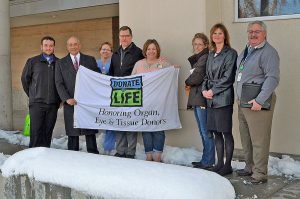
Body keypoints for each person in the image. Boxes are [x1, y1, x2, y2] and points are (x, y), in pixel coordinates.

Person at [236, 21, 280, 184]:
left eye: (257, 31)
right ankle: (250, 167)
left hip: (257, 103)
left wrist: (260, 100)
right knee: (246, 137)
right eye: (250, 31)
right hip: (243, 102)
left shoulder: (268, 52)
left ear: (265, 34)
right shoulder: (247, 50)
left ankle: (260, 173)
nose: (253, 34)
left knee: (259, 140)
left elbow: (273, 78)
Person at [202, 23, 237, 176]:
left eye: (220, 33)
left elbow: (228, 78)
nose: (217, 36)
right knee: (216, 132)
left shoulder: (231, 53)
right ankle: (219, 163)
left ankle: (228, 165)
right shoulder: (210, 54)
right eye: (214, 33)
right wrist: (204, 90)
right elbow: (206, 76)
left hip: (223, 99)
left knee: (226, 132)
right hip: (210, 99)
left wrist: (212, 90)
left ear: (225, 36)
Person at [55, 36, 100, 154]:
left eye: (75, 44)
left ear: (79, 45)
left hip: (87, 103)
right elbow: (58, 83)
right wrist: (66, 98)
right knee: (72, 133)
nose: (73, 46)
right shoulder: (60, 63)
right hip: (70, 103)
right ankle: (72, 159)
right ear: (67, 47)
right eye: (70, 44)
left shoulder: (90, 60)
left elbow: (97, 78)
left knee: (89, 132)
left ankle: (94, 157)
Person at [132, 39, 172, 162]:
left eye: (153, 49)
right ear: (145, 50)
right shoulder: (138, 64)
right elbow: (132, 81)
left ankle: (158, 155)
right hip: (143, 102)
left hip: (159, 102)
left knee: (158, 128)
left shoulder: (163, 63)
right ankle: (149, 155)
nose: (151, 51)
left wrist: (174, 68)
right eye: (149, 49)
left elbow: (172, 76)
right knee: (146, 127)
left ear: (157, 50)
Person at [108, 26, 144, 158]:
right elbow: (111, 73)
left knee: (130, 122)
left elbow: (148, 63)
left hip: (132, 93)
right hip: (117, 93)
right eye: (121, 36)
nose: (124, 38)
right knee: (119, 121)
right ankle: (121, 150)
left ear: (131, 37)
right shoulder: (116, 53)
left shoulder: (138, 52)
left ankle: (130, 151)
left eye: (126, 36)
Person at [21, 36, 61, 148]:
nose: (48, 48)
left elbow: (61, 83)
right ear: (41, 47)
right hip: (37, 104)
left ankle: (44, 159)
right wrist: (33, 95)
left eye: (51, 46)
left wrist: (59, 99)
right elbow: (25, 79)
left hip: (53, 105)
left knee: (47, 133)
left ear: (54, 47)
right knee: (36, 133)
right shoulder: (32, 61)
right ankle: (33, 160)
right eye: (46, 45)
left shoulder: (59, 63)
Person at [185, 33, 215, 169]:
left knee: (206, 131)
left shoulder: (205, 57)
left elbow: (197, 77)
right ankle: (205, 159)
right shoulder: (198, 58)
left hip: (202, 99)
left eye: (200, 44)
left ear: (206, 45)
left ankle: (208, 161)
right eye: (195, 44)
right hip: (197, 98)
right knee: (202, 131)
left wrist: (187, 81)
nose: (197, 47)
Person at [96, 42, 115, 154]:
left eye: (108, 50)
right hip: (97, 97)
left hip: (110, 97)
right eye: (103, 49)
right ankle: (94, 145)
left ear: (111, 52)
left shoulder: (114, 63)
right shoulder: (95, 63)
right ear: (100, 51)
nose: (105, 51)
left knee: (110, 121)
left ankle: (109, 147)